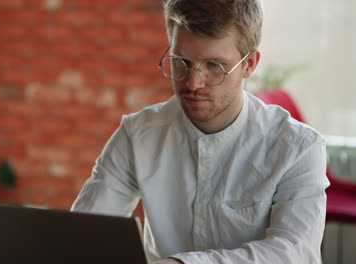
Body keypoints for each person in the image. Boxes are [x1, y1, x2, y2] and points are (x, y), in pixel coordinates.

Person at [71, 0, 329, 263]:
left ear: (249, 64)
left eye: (214, 65)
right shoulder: (138, 134)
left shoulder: (299, 147)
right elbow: (84, 234)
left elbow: (295, 253)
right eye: (180, 61)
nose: (192, 83)